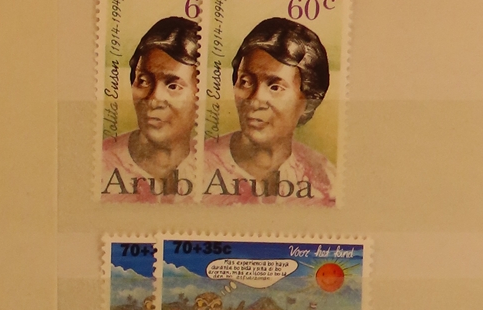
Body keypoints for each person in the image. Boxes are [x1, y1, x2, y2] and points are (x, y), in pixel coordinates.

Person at [204, 17, 335, 203]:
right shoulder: (195, 165)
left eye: (275, 87)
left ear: (308, 103)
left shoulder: (326, 181)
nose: (255, 100)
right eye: (245, 82)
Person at [101, 16, 200, 198]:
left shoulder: (215, 164)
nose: (153, 99)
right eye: (144, 81)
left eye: (173, 86)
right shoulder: (102, 160)